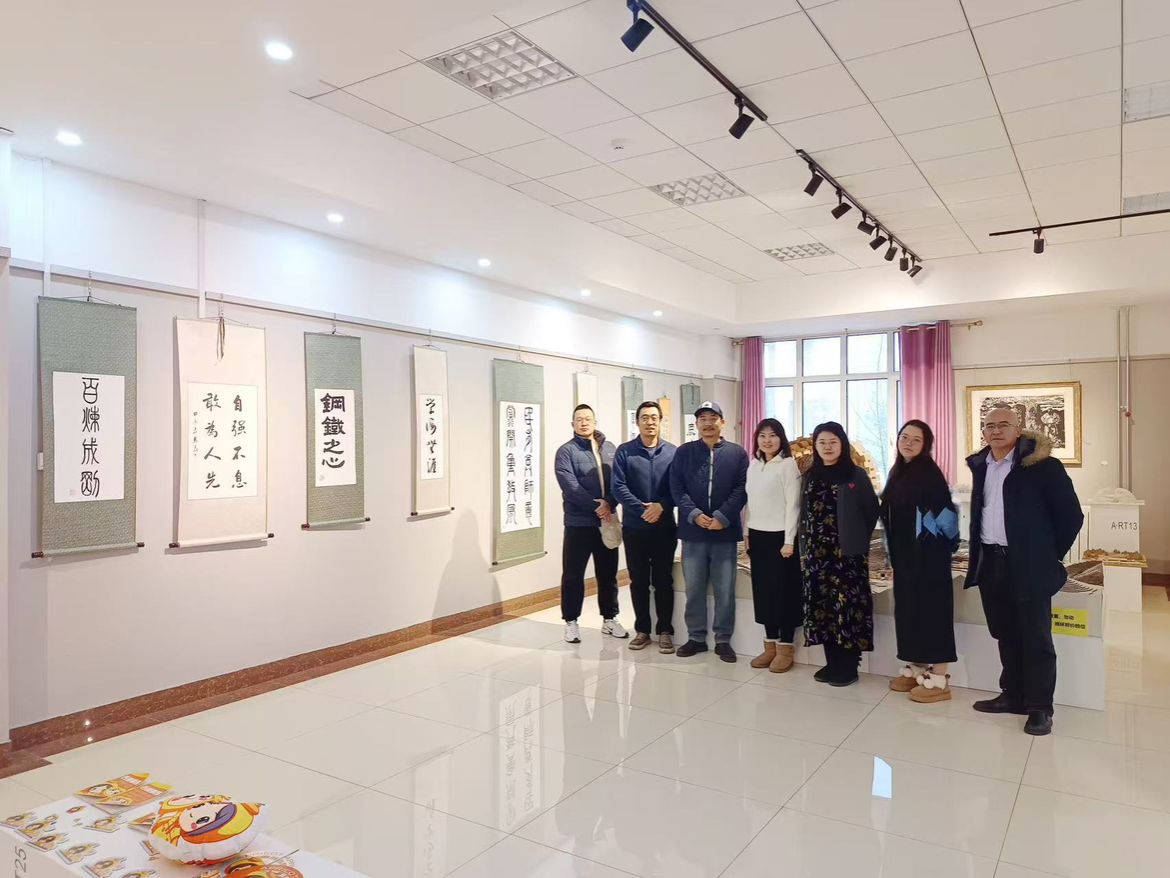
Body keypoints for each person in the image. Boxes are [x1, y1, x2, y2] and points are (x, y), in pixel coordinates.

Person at [965, 406, 1083, 736]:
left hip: (1029, 565)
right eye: (989, 425)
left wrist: (1046, 555)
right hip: (992, 561)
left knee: (1036, 636)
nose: (996, 430)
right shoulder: (981, 466)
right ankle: (1013, 695)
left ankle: (1040, 707)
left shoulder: (1043, 467)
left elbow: (1071, 516)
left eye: (1004, 425)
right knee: (1005, 632)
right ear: (983, 432)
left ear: (1019, 430)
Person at [880, 420, 960, 702]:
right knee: (909, 612)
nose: (909, 443)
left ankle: (939, 678)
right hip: (904, 558)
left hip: (928, 557)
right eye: (904, 437)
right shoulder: (898, 472)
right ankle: (916, 667)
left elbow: (947, 516)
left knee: (933, 613)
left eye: (916, 439)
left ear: (926, 445)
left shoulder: (929, 474)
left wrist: (947, 544)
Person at [799, 422, 879, 686]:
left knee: (847, 609)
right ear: (815, 446)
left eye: (833, 441)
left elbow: (871, 512)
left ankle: (849, 666)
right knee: (824, 609)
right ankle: (832, 662)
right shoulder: (811, 475)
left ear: (842, 444)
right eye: (822, 442)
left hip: (848, 556)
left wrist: (856, 539)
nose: (827, 447)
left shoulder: (856, 475)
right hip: (817, 556)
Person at [670, 401, 749, 662]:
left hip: (724, 533)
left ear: (722, 422)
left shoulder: (737, 454)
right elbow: (676, 487)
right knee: (694, 588)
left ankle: (723, 640)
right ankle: (696, 638)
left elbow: (741, 489)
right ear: (697, 424)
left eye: (713, 418)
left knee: (725, 589)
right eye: (702, 419)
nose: (707, 423)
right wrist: (694, 514)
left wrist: (722, 517)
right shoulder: (684, 452)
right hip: (693, 533)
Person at [554, 404, 627, 644]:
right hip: (579, 523)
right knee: (573, 574)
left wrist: (610, 502)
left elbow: (620, 481)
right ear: (572, 424)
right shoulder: (566, 451)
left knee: (608, 574)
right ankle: (571, 622)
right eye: (579, 419)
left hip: (607, 522)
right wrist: (597, 506)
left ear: (595, 422)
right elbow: (570, 486)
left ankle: (610, 618)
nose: (583, 422)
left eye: (588, 419)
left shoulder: (610, 448)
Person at [612, 401, 678, 653]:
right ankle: (642, 630)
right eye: (644, 418)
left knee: (663, 580)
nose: (649, 422)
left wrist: (661, 506)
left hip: (664, 528)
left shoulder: (673, 452)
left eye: (654, 418)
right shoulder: (625, 451)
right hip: (634, 528)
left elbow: (678, 487)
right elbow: (618, 487)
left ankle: (665, 631)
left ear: (660, 421)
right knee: (638, 580)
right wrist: (642, 509)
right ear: (637, 421)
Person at [744, 418, 802, 673]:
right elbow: (751, 502)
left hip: (781, 539)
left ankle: (785, 648)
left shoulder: (788, 465)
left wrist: (789, 541)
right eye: (762, 435)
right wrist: (747, 531)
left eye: (773, 435)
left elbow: (794, 506)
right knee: (764, 592)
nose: (767, 440)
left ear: (781, 439)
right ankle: (769, 645)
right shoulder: (754, 465)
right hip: (758, 536)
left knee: (784, 592)